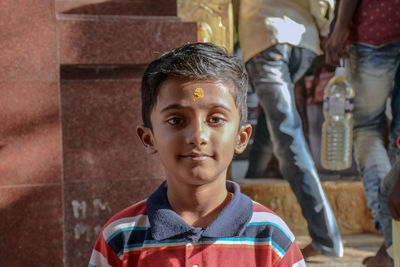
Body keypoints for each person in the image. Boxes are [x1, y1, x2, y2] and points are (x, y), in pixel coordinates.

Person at [88, 43, 305, 266]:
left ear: (241, 138)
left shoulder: (271, 239)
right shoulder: (120, 239)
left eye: (216, 119)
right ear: (149, 139)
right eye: (176, 120)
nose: (197, 136)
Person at [238, 0, 344, 259]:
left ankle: (326, 239)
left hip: (266, 36)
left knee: (286, 133)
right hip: (302, 41)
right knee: (274, 125)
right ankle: (250, 211)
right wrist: (324, 26)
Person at [325, 0, 400, 265]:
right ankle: (392, 245)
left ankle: (393, 242)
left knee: (366, 128)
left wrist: (341, 25)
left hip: (375, 30)